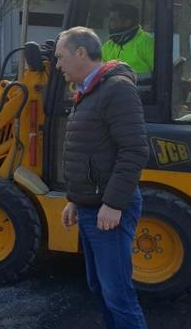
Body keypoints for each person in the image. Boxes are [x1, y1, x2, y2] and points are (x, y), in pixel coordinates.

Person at [55, 26, 149, 329]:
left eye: (61, 57)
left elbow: (134, 150)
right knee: (101, 290)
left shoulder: (116, 89)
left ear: (81, 53)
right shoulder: (89, 91)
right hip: (90, 207)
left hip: (107, 211)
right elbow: (89, 152)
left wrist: (113, 204)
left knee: (118, 296)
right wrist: (74, 199)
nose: (58, 65)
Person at [102, 4, 154, 76]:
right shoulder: (108, 46)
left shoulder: (147, 42)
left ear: (127, 22)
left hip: (140, 86)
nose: (110, 24)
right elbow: (99, 74)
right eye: (110, 19)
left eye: (113, 20)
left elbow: (160, 75)